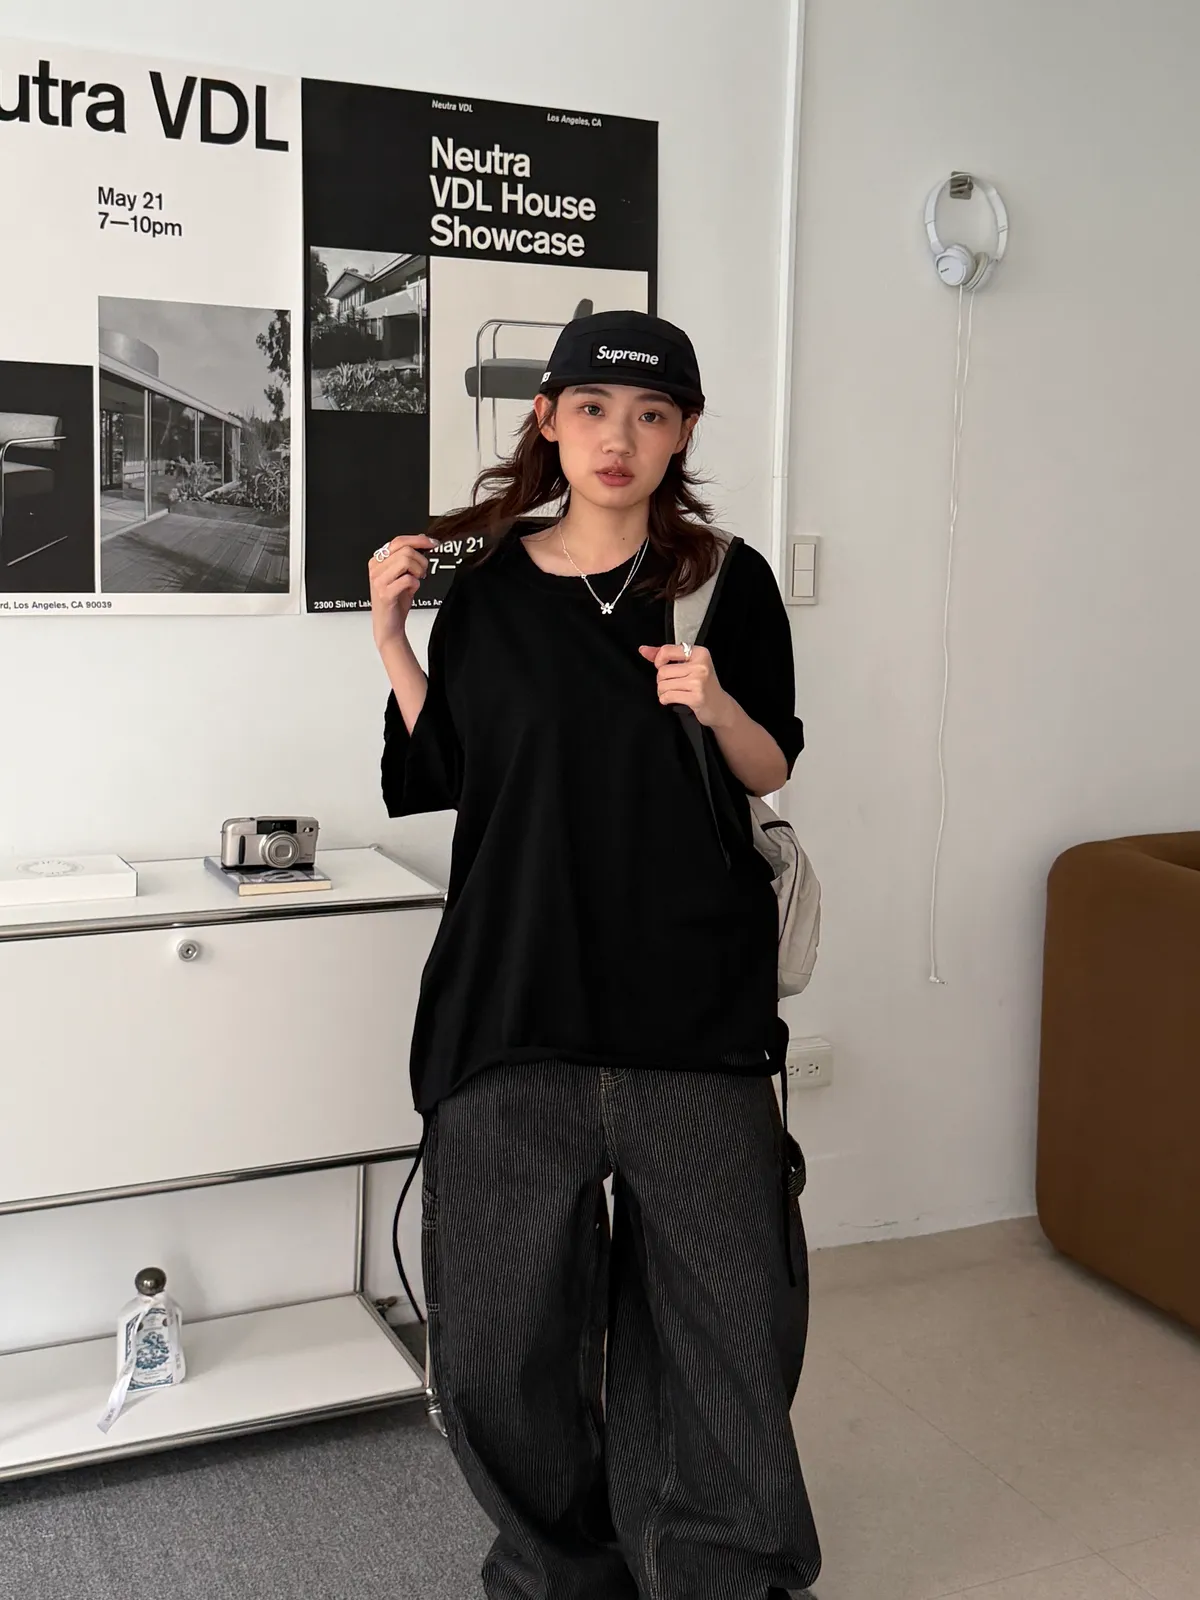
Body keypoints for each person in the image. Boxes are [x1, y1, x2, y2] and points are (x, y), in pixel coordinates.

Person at [368, 310, 822, 1600]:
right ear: (549, 420)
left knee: (724, 1324)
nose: (619, 438)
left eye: (651, 414)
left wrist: (713, 700)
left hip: (690, 1003)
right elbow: (452, 770)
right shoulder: (489, 587)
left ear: (682, 434)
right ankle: (563, 1566)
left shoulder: (723, 579)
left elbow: (770, 767)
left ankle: (718, 1566)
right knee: (495, 1338)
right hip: (512, 997)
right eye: (593, 409)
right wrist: (394, 640)